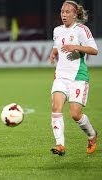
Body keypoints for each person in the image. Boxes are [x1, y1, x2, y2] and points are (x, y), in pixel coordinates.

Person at [49, 0, 98, 156]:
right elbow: (58, 45)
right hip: (61, 76)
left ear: (75, 14)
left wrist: (76, 46)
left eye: (68, 12)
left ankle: (92, 135)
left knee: (75, 114)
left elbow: (94, 50)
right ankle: (60, 145)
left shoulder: (82, 30)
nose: (64, 14)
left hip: (78, 76)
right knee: (56, 108)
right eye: (62, 11)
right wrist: (54, 52)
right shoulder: (57, 30)